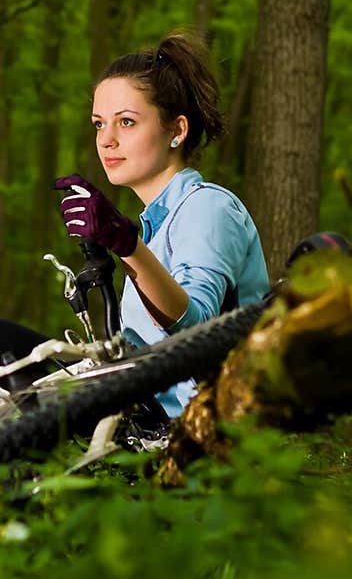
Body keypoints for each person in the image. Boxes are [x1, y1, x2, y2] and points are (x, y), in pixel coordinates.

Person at [53, 29, 269, 416]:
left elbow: (196, 328)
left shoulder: (208, 208)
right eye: (99, 124)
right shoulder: (158, 227)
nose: (107, 140)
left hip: (199, 433)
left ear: (177, 130)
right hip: (143, 418)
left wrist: (126, 245)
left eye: (127, 122)